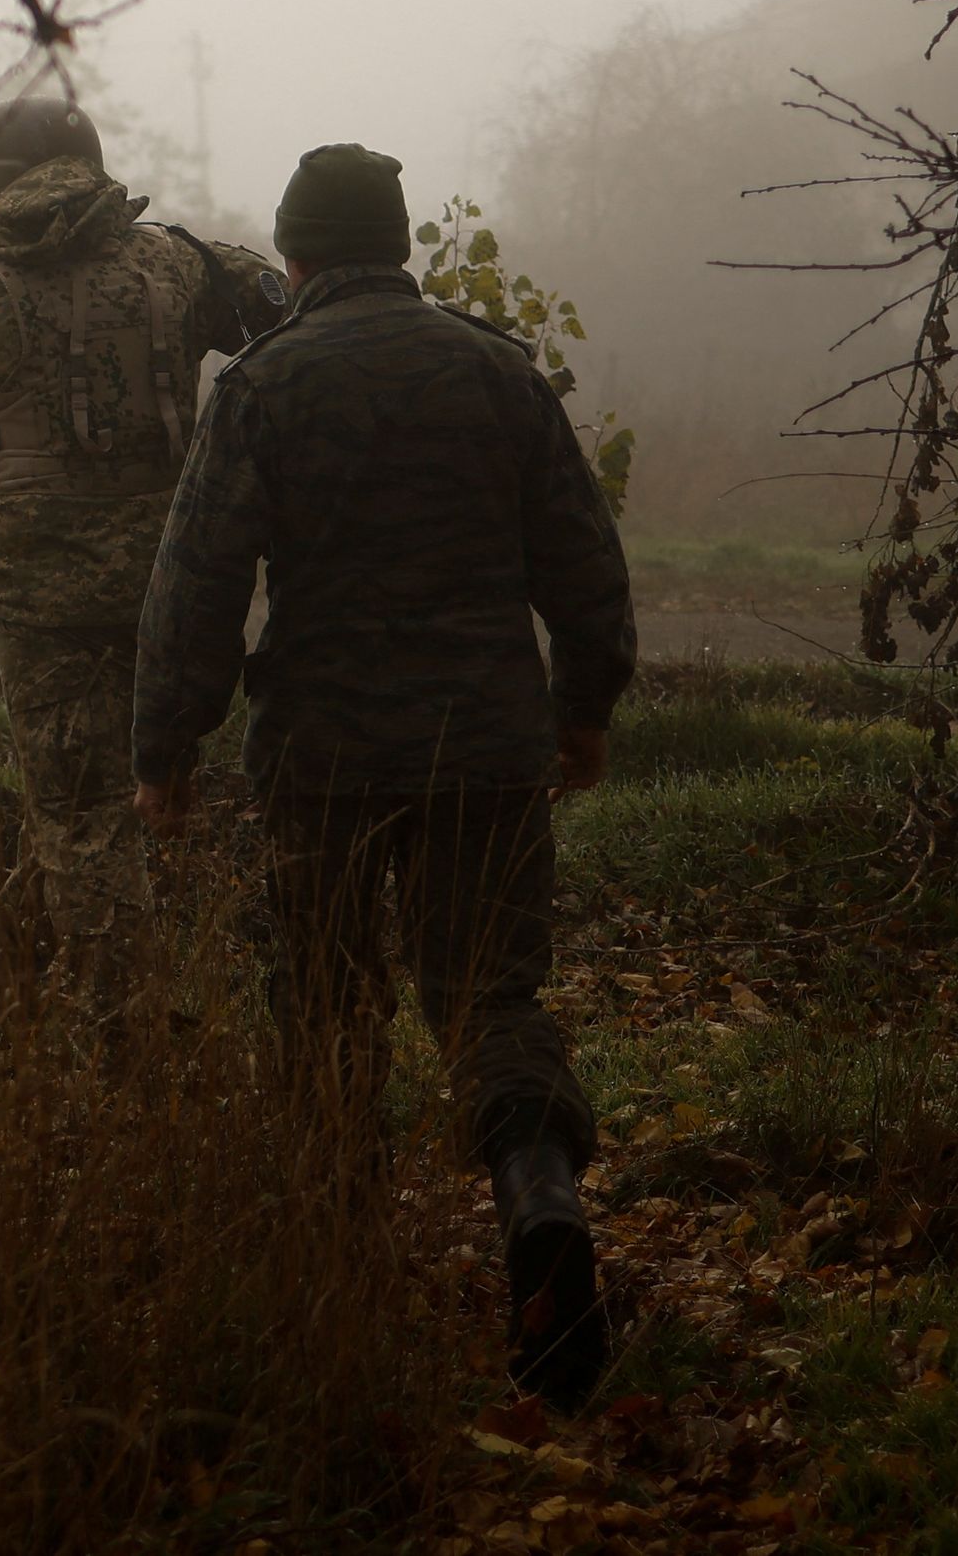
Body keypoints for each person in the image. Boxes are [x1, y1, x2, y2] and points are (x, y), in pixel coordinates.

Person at [132, 141, 636, 1410]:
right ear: (400, 247)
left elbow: (194, 586)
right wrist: (584, 711)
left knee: (322, 1006)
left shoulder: (262, 385)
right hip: (485, 751)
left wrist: (165, 748)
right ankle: (536, 1202)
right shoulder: (498, 374)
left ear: (294, 257)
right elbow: (584, 564)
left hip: (323, 761)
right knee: (487, 1001)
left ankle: (336, 1267)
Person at [0, 91, 280, 1007]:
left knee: (77, 807)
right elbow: (271, 297)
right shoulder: (175, 266)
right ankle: (11, 965)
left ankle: (134, 1034)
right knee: (84, 786)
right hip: (167, 580)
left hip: (44, 591)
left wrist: (7, 250)